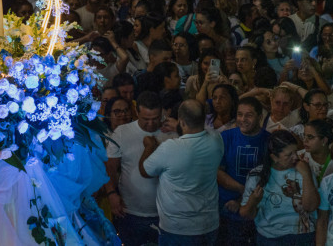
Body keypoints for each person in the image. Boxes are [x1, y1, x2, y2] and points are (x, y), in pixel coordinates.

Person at [140, 99, 223, 245]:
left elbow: (145, 171)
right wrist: (180, 126)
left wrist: (148, 146)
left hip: (178, 229)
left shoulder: (171, 147)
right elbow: (202, 130)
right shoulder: (216, 140)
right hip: (209, 224)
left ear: (181, 121)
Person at [104, 91, 166, 246]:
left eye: (155, 119)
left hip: (165, 213)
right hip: (130, 212)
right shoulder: (122, 133)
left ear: (162, 113)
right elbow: (110, 167)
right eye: (146, 119)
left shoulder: (171, 131)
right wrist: (111, 193)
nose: (151, 124)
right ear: (136, 112)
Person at [239, 130, 319, 244]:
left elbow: (310, 207)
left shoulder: (303, 170)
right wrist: (253, 201)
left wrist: (306, 174)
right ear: (274, 157)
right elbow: (246, 214)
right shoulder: (257, 176)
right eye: (289, 154)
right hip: (270, 237)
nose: (295, 157)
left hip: (303, 235)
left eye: (295, 152)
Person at [217, 97, 270, 244]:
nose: (243, 119)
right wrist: (243, 190)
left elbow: (268, 176)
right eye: (240, 114)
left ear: (260, 117)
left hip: (256, 211)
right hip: (226, 209)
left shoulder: (268, 140)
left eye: (249, 115)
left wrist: (244, 199)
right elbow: (217, 172)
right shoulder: (226, 137)